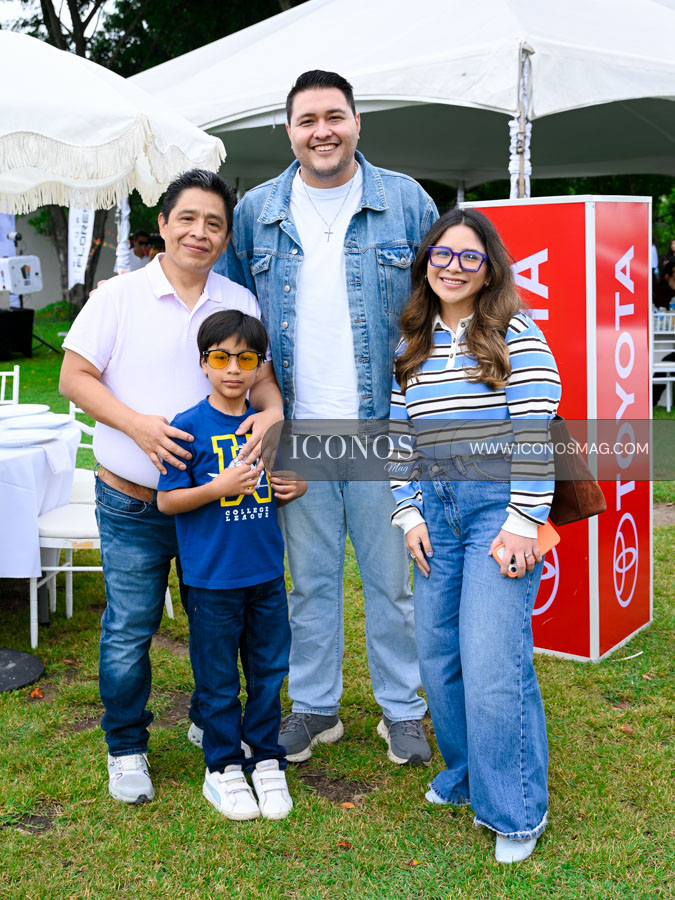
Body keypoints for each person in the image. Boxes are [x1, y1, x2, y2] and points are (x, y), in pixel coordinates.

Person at [223, 69, 438, 766]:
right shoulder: (257, 210)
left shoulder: (404, 200)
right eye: (307, 118)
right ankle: (315, 709)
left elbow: (446, 299)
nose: (322, 130)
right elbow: (230, 319)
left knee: (392, 584)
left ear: (355, 122)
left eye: (334, 116)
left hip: (384, 427)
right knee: (309, 584)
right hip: (298, 432)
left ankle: (402, 710)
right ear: (288, 129)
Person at [59, 169, 283, 804]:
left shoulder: (236, 299)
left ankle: (207, 722)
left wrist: (272, 417)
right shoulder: (119, 296)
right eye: (187, 218)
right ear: (162, 225)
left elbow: (262, 386)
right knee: (131, 625)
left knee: (216, 622)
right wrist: (137, 426)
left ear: (225, 235)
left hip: (220, 505)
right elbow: (75, 377)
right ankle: (126, 747)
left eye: (214, 223)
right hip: (134, 498)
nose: (199, 232)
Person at [389, 208, 561, 863]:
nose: (452, 267)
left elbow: (533, 429)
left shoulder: (514, 331)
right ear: (425, 261)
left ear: (488, 268)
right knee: (440, 658)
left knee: (492, 662)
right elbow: (396, 438)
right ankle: (463, 776)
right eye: (441, 254)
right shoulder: (411, 341)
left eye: (468, 257)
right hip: (435, 514)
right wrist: (407, 514)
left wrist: (521, 522)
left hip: (498, 511)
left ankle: (514, 810)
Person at [157, 310, 306, 821]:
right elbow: (167, 502)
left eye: (246, 359)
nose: (233, 369)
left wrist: (293, 489)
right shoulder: (187, 426)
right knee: (218, 679)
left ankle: (265, 759)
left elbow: (269, 492)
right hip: (211, 581)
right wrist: (216, 488)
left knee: (267, 672)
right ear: (203, 363)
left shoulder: (265, 428)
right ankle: (221, 767)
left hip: (265, 575)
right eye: (221, 357)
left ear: (259, 364)